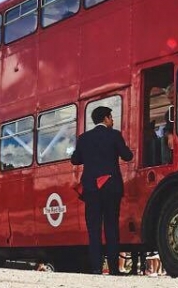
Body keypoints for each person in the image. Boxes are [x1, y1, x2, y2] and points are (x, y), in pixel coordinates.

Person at [71, 106, 133, 275]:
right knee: (112, 227)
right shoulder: (114, 135)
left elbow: (75, 160)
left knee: (94, 229)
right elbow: (128, 156)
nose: (112, 121)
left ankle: (96, 268)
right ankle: (113, 269)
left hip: (91, 189)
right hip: (111, 188)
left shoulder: (84, 138)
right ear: (106, 118)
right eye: (111, 118)